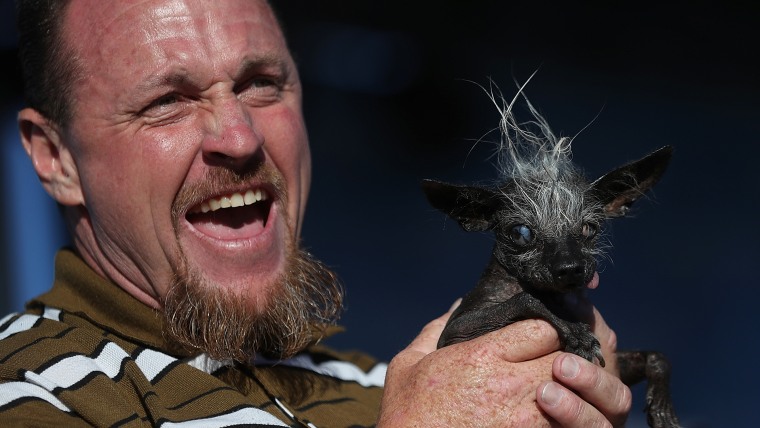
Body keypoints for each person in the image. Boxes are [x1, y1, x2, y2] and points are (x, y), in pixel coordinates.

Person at [0, 0, 632, 426]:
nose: (240, 137)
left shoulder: (390, 388)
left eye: (260, 84)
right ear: (55, 157)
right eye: (167, 100)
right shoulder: (31, 391)